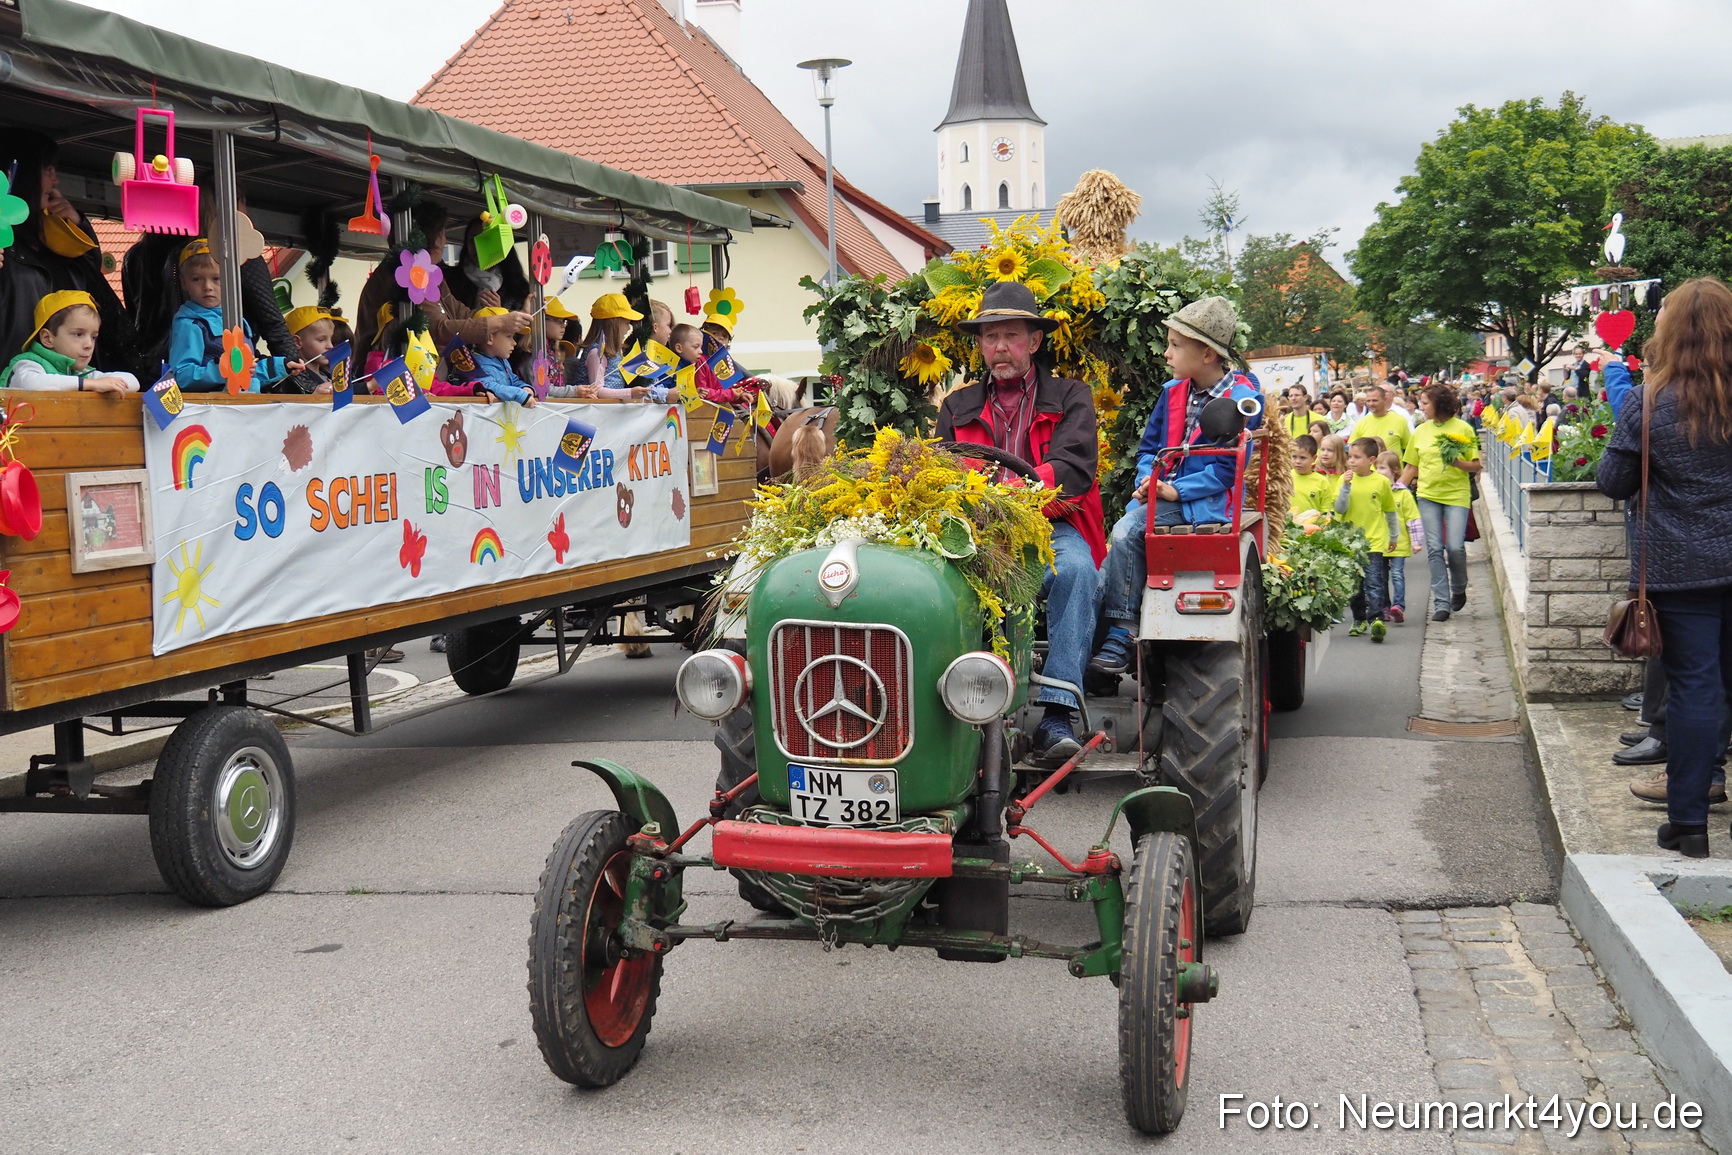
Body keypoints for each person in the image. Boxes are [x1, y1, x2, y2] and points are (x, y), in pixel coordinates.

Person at [937, 281, 1104, 767]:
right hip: (979, 531)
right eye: (990, 338)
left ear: (1034, 342)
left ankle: (1057, 715)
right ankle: (961, 702)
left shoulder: (1072, 397)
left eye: (1011, 336)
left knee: (1076, 572)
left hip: (1049, 527)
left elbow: (1071, 471)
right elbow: (945, 473)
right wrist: (981, 505)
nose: (1000, 348)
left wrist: (1007, 496)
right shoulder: (957, 406)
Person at [1596, 277, 1732, 857]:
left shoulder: (1650, 399)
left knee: (1697, 689)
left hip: (1683, 571)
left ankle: (1690, 822)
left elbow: (1612, 481)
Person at [1090, 296, 1261, 676]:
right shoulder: (1172, 393)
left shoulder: (1242, 402)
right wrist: (1147, 480)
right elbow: (1150, 448)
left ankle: (1122, 631)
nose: (1166, 353)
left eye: (1175, 345)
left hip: (1207, 503)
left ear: (1207, 355)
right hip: (1162, 495)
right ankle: (1095, 659)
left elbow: (1227, 469)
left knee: (1124, 531)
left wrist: (1175, 491)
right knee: (1106, 563)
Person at [0, 130, 135, 373]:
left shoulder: (51, 242)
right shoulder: (6, 245)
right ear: (25, 175)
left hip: (67, 381)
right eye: (49, 170)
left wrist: (75, 224)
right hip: (15, 384)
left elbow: (91, 276)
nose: (56, 181)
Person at [168, 241, 299, 392]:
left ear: (230, 280)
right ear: (184, 283)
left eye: (216, 279)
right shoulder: (190, 324)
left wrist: (279, 367)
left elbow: (247, 372)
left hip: (244, 404)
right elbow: (182, 376)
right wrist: (222, 370)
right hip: (213, 408)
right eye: (197, 279)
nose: (207, 287)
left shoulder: (238, 319)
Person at [1399, 382, 1481, 620]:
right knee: (1435, 549)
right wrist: (1395, 490)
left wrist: (1457, 463)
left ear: (1439, 403)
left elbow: (1476, 465)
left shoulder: (1463, 429)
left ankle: (1459, 588)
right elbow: (1411, 467)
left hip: (1456, 495)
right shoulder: (1421, 431)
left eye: (1425, 403)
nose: (1421, 407)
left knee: (1455, 547)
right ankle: (1441, 603)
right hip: (1428, 495)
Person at [1, 290, 139, 392]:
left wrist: (100, 382)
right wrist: (88, 385)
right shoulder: (28, 364)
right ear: (48, 339)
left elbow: (133, 382)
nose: (89, 345)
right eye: (78, 334)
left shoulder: (83, 373)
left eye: (93, 337)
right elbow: (32, 384)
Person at [1335, 437, 1397, 641]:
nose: (1351, 461)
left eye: (1357, 457)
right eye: (1350, 457)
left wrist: (1393, 535)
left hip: (1374, 540)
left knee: (1374, 582)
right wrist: (1345, 486)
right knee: (1354, 585)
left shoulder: (1381, 482)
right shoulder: (1344, 479)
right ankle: (1359, 618)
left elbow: (1389, 510)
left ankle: (1376, 619)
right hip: (1350, 542)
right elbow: (1340, 508)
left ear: (1371, 460)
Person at [577, 294, 652, 400]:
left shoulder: (613, 352)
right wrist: (630, 393)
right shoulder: (596, 353)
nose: (628, 328)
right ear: (614, 324)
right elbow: (597, 390)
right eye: (626, 323)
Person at [1377, 449, 1421, 624]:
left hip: (1400, 542)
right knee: (1380, 577)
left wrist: (1416, 542)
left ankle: (1398, 605)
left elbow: (1412, 518)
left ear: (1395, 470)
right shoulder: (1376, 491)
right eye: (1377, 468)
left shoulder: (1403, 494)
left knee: (1396, 573)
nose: (1379, 472)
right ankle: (1384, 607)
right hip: (1379, 542)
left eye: (1382, 468)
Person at [466, 307, 539, 407]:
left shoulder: (502, 360)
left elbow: (513, 380)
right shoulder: (475, 363)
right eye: (509, 336)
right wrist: (518, 394)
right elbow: (485, 385)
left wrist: (524, 387)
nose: (514, 342)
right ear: (489, 338)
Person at [268, 305, 336, 394]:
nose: (330, 346)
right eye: (321, 340)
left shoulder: (328, 375)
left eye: (331, 339)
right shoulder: (289, 381)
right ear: (297, 342)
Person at [671, 322, 740, 406]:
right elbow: (703, 394)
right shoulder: (699, 362)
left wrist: (738, 395)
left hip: (718, 403)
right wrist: (732, 395)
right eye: (715, 333)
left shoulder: (725, 362)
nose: (720, 338)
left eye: (725, 336)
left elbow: (726, 390)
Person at [1350, 382, 1412, 461]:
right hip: (1369, 472)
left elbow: (1408, 449)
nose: (1371, 404)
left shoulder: (1400, 420)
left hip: (1393, 471)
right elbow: (1352, 448)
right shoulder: (1361, 422)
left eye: (1375, 400)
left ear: (1384, 399)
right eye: (1368, 401)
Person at [1289, 434, 1332, 516]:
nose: (1297, 461)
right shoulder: (1285, 478)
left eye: (1302, 458)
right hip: (1285, 526)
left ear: (1314, 458)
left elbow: (1325, 511)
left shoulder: (1322, 482)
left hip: (1311, 526)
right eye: (1294, 457)